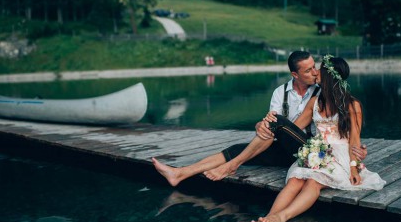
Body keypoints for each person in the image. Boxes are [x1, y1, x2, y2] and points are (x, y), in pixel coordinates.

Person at [152, 51, 367, 187]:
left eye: (315, 67)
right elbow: (280, 125)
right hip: (283, 148)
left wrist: (358, 154)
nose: (314, 72)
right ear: (295, 75)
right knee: (238, 146)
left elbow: (346, 124)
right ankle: (179, 173)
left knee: (276, 122)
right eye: (309, 69)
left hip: (310, 151)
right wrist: (261, 125)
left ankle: (232, 166)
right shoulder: (279, 93)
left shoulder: (321, 93)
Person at [247, 55, 386, 222]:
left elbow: (354, 142)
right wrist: (271, 125)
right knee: (295, 180)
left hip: (339, 156)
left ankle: (282, 217)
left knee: (314, 182)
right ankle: (268, 217)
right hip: (316, 151)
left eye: (319, 68)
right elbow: (293, 128)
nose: (315, 71)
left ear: (328, 75)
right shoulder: (315, 101)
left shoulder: (352, 104)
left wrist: (353, 168)